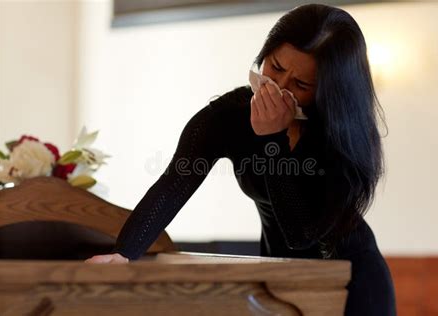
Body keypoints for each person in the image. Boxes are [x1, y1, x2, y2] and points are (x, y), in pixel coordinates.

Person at [85, 4, 397, 315]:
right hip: (280, 281)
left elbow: (300, 233)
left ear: (328, 91)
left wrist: (271, 140)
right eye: (275, 67)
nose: (278, 87)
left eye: (300, 85)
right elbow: (174, 183)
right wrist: (123, 253)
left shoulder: (340, 136)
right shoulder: (230, 114)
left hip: (353, 284)